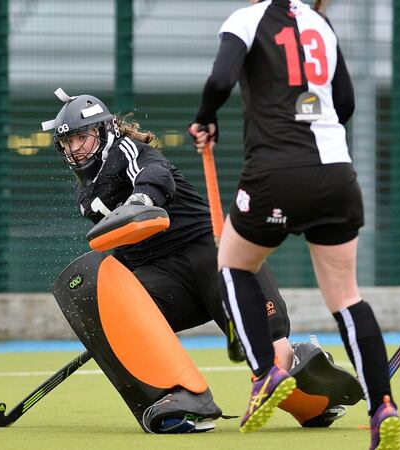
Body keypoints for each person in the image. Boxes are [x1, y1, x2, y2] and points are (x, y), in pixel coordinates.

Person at [43, 88, 357, 433]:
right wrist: (113, 324)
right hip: (163, 278)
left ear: (105, 131)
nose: (75, 149)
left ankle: (313, 395)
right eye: (68, 143)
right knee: (105, 306)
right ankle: (181, 399)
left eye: (82, 138)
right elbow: (122, 250)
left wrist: (141, 199)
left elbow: (156, 175)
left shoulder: (127, 150)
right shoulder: (85, 195)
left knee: (270, 358)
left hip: (212, 258)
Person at [188, 1, 400, 448]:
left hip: (274, 174)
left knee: (233, 264)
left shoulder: (247, 19)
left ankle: (265, 372)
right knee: (346, 297)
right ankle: (383, 404)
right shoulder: (322, 25)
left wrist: (205, 118)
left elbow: (221, 80)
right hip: (336, 174)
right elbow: (344, 102)